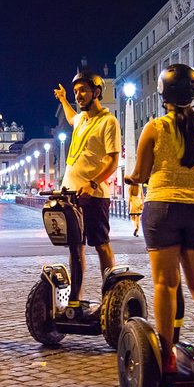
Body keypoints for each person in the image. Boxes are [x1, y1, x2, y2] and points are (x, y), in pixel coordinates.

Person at [125, 64, 194, 372]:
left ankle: (166, 355)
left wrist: (131, 179)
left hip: (163, 208)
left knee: (165, 285)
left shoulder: (155, 128)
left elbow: (142, 173)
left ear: (163, 95)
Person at [53, 70, 121, 309]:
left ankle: (111, 296)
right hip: (70, 195)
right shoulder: (81, 120)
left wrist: (93, 183)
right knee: (75, 247)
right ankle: (76, 297)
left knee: (101, 244)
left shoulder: (108, 121)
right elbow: (72, 118)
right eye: (75, 92)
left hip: (94, 196)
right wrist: (63, 99)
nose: (78, 96)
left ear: (97, 92)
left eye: (83, 90)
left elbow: (113, 160)